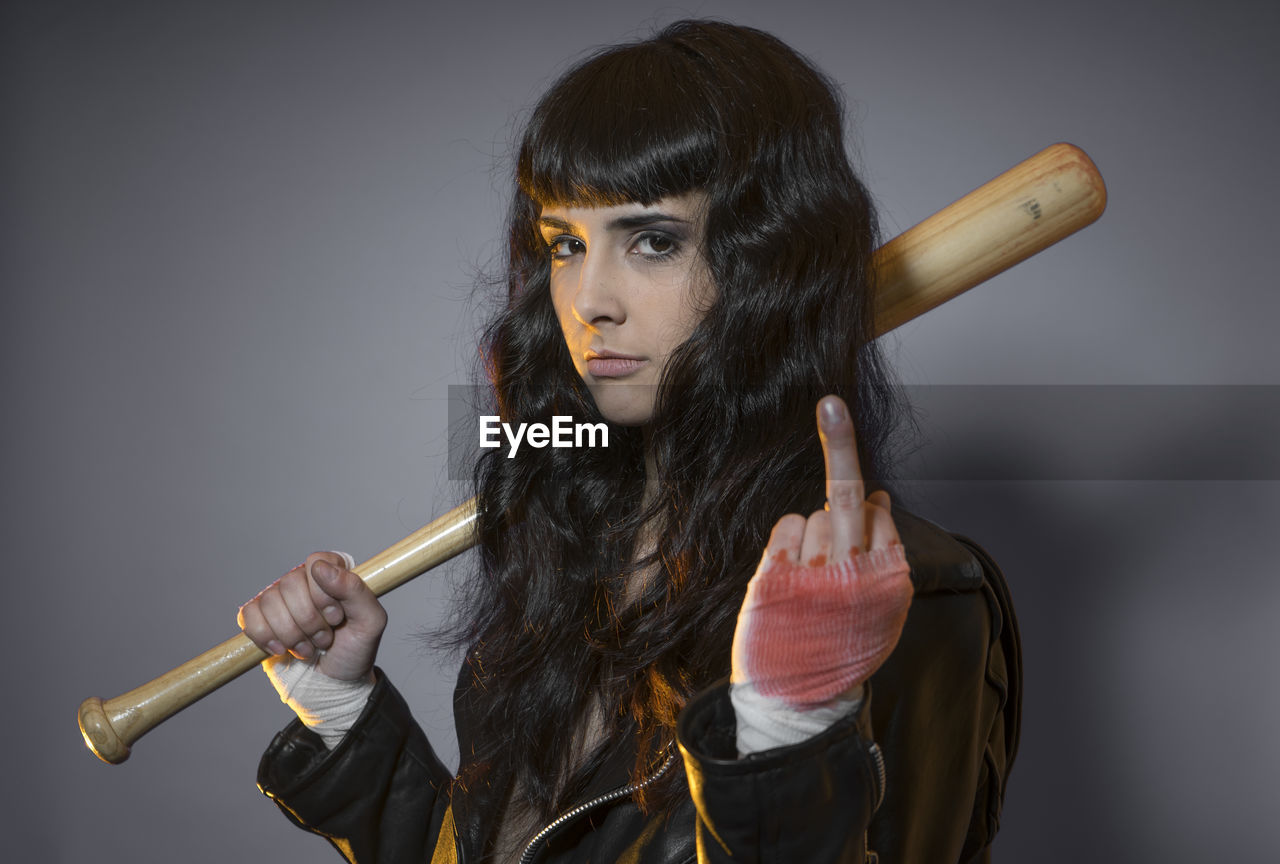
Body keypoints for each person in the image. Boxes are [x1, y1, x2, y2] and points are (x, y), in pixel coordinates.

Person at [236, 19, 1020, 864]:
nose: (590, 301)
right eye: (566, 244)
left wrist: (788, 733)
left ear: (767, 261)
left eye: (654, 240)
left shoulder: (905, 595)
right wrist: (349, 720)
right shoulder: (574, 554)